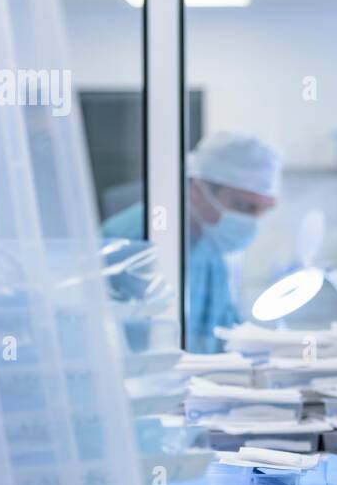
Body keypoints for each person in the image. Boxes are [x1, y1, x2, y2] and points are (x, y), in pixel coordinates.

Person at [102, 131, 281, 353]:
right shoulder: (133, 239)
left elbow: (227, 333)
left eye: (264, 209)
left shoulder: (210, 245)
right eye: (245, 207)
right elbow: (114, 346)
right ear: (198, 190)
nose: (253, 222)